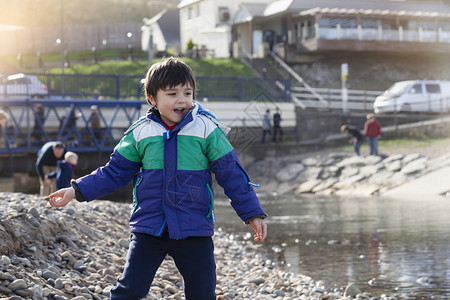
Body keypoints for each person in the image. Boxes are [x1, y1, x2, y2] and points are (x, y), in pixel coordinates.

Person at [47, 57, 267, 300]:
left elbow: (232, 174)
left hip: (194, 229)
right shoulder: (140, 133)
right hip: (149, 228)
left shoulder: (206, 130)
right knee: (130, 289)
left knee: (203, 293)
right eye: (172, 93)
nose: (182, 100)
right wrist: (75, 190)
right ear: (152, 98)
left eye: (188, 92)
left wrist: (252, 213)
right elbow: (113, 172)